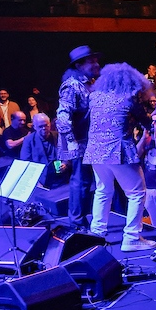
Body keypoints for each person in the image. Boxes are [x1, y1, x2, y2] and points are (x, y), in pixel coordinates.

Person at [84, 63, 156, 252]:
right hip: (118, 151)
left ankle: (96, 234)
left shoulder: (95, 97)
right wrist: (154, 116)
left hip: (95, 151)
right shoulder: (129, 98)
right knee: (136, 193)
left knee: (103, 191)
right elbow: (147, 122)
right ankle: (131, 237)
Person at [58, 45, 100, 230]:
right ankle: (76, 223)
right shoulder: (72, 86)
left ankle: (86, 217)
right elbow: (62, 116)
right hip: (79, 142)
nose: (97, 63)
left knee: (90, 182)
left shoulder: (90, 83)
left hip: (92, 141)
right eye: (92, 61)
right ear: (80, 64)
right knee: (80, 182)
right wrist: (71, 143)